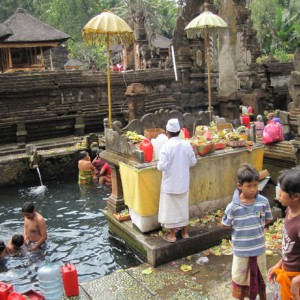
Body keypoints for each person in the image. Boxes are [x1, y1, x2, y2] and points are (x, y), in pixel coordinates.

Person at [222, 163, 273, 300]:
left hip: (259, 248)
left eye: (255, 185)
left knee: (261, 277)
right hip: (241, 250)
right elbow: (226, 224)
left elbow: (267, 219)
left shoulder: (263, 202)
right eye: (249, 186)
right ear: (239, 186)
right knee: (240, 279)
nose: (253, 189)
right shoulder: (233, 207)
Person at [157, 118, 197, 243]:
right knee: (182, 208)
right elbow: (193, 162)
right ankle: (185, 232)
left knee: (171, 210)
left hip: (170, 184)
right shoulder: (186, 145)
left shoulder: (166, 147)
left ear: (167, 133)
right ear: (179, 131)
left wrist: (159, 164)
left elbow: (161, 166)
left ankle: (172, 234)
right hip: (183, 183)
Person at [267, 166, 300, 300]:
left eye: (283, 190)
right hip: (286, 274)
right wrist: (280, 263)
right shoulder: (289, 211)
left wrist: (297, 280)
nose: (279, 192)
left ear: (296, 196)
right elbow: (292, 249)